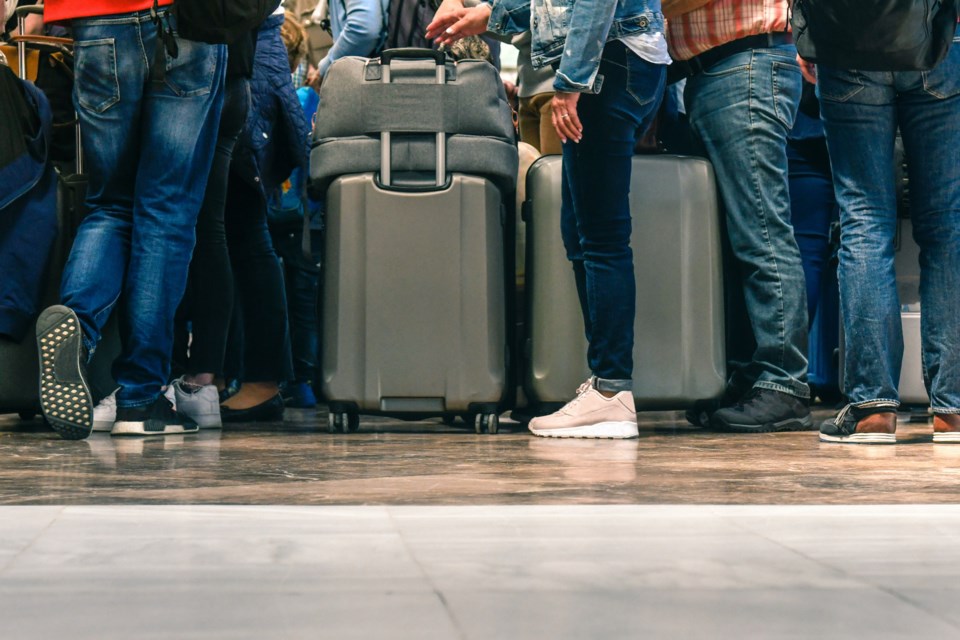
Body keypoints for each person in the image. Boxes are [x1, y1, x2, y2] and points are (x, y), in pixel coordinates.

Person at [429, 0, 669, 439]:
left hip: (608, 65)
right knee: (582, 232)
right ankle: (605, 386)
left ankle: (612, 390)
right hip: (620, 61)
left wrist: (571, 82)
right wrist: (488, 14)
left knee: (600, 235)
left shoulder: (592, 68)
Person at [34, 0, 226, 439]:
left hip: (97, 20)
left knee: (109, 205)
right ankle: (141, 397)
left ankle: (77, 331)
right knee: (166, 212)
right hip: (186, 22)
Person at [666, 0, 813, 433]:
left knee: (761, 233)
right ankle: (754, 376)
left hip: (746, 63)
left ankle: (783, 382)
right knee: (737, 241)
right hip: (717, 69)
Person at [808, 28, 960, 444]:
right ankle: (954, 410)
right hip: (942, 39)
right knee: (947, 223)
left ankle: (872, 410)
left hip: (848, 41)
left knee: (865, 218)